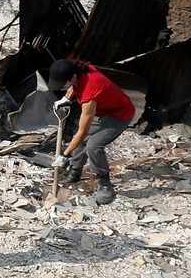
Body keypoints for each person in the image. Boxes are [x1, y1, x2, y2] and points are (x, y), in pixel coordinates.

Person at [47, 58, 135, 206]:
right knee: (80, 142)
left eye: (66, 82)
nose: (65, 85)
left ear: (73, 77)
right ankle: (75, 172)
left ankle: (105, 184)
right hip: (104, 110)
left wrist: (64, 155)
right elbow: (74, 85)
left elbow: (83, 131)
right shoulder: (81, 70)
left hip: (120, 114)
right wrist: (66, 98)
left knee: (93, 146)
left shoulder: (89, 94)